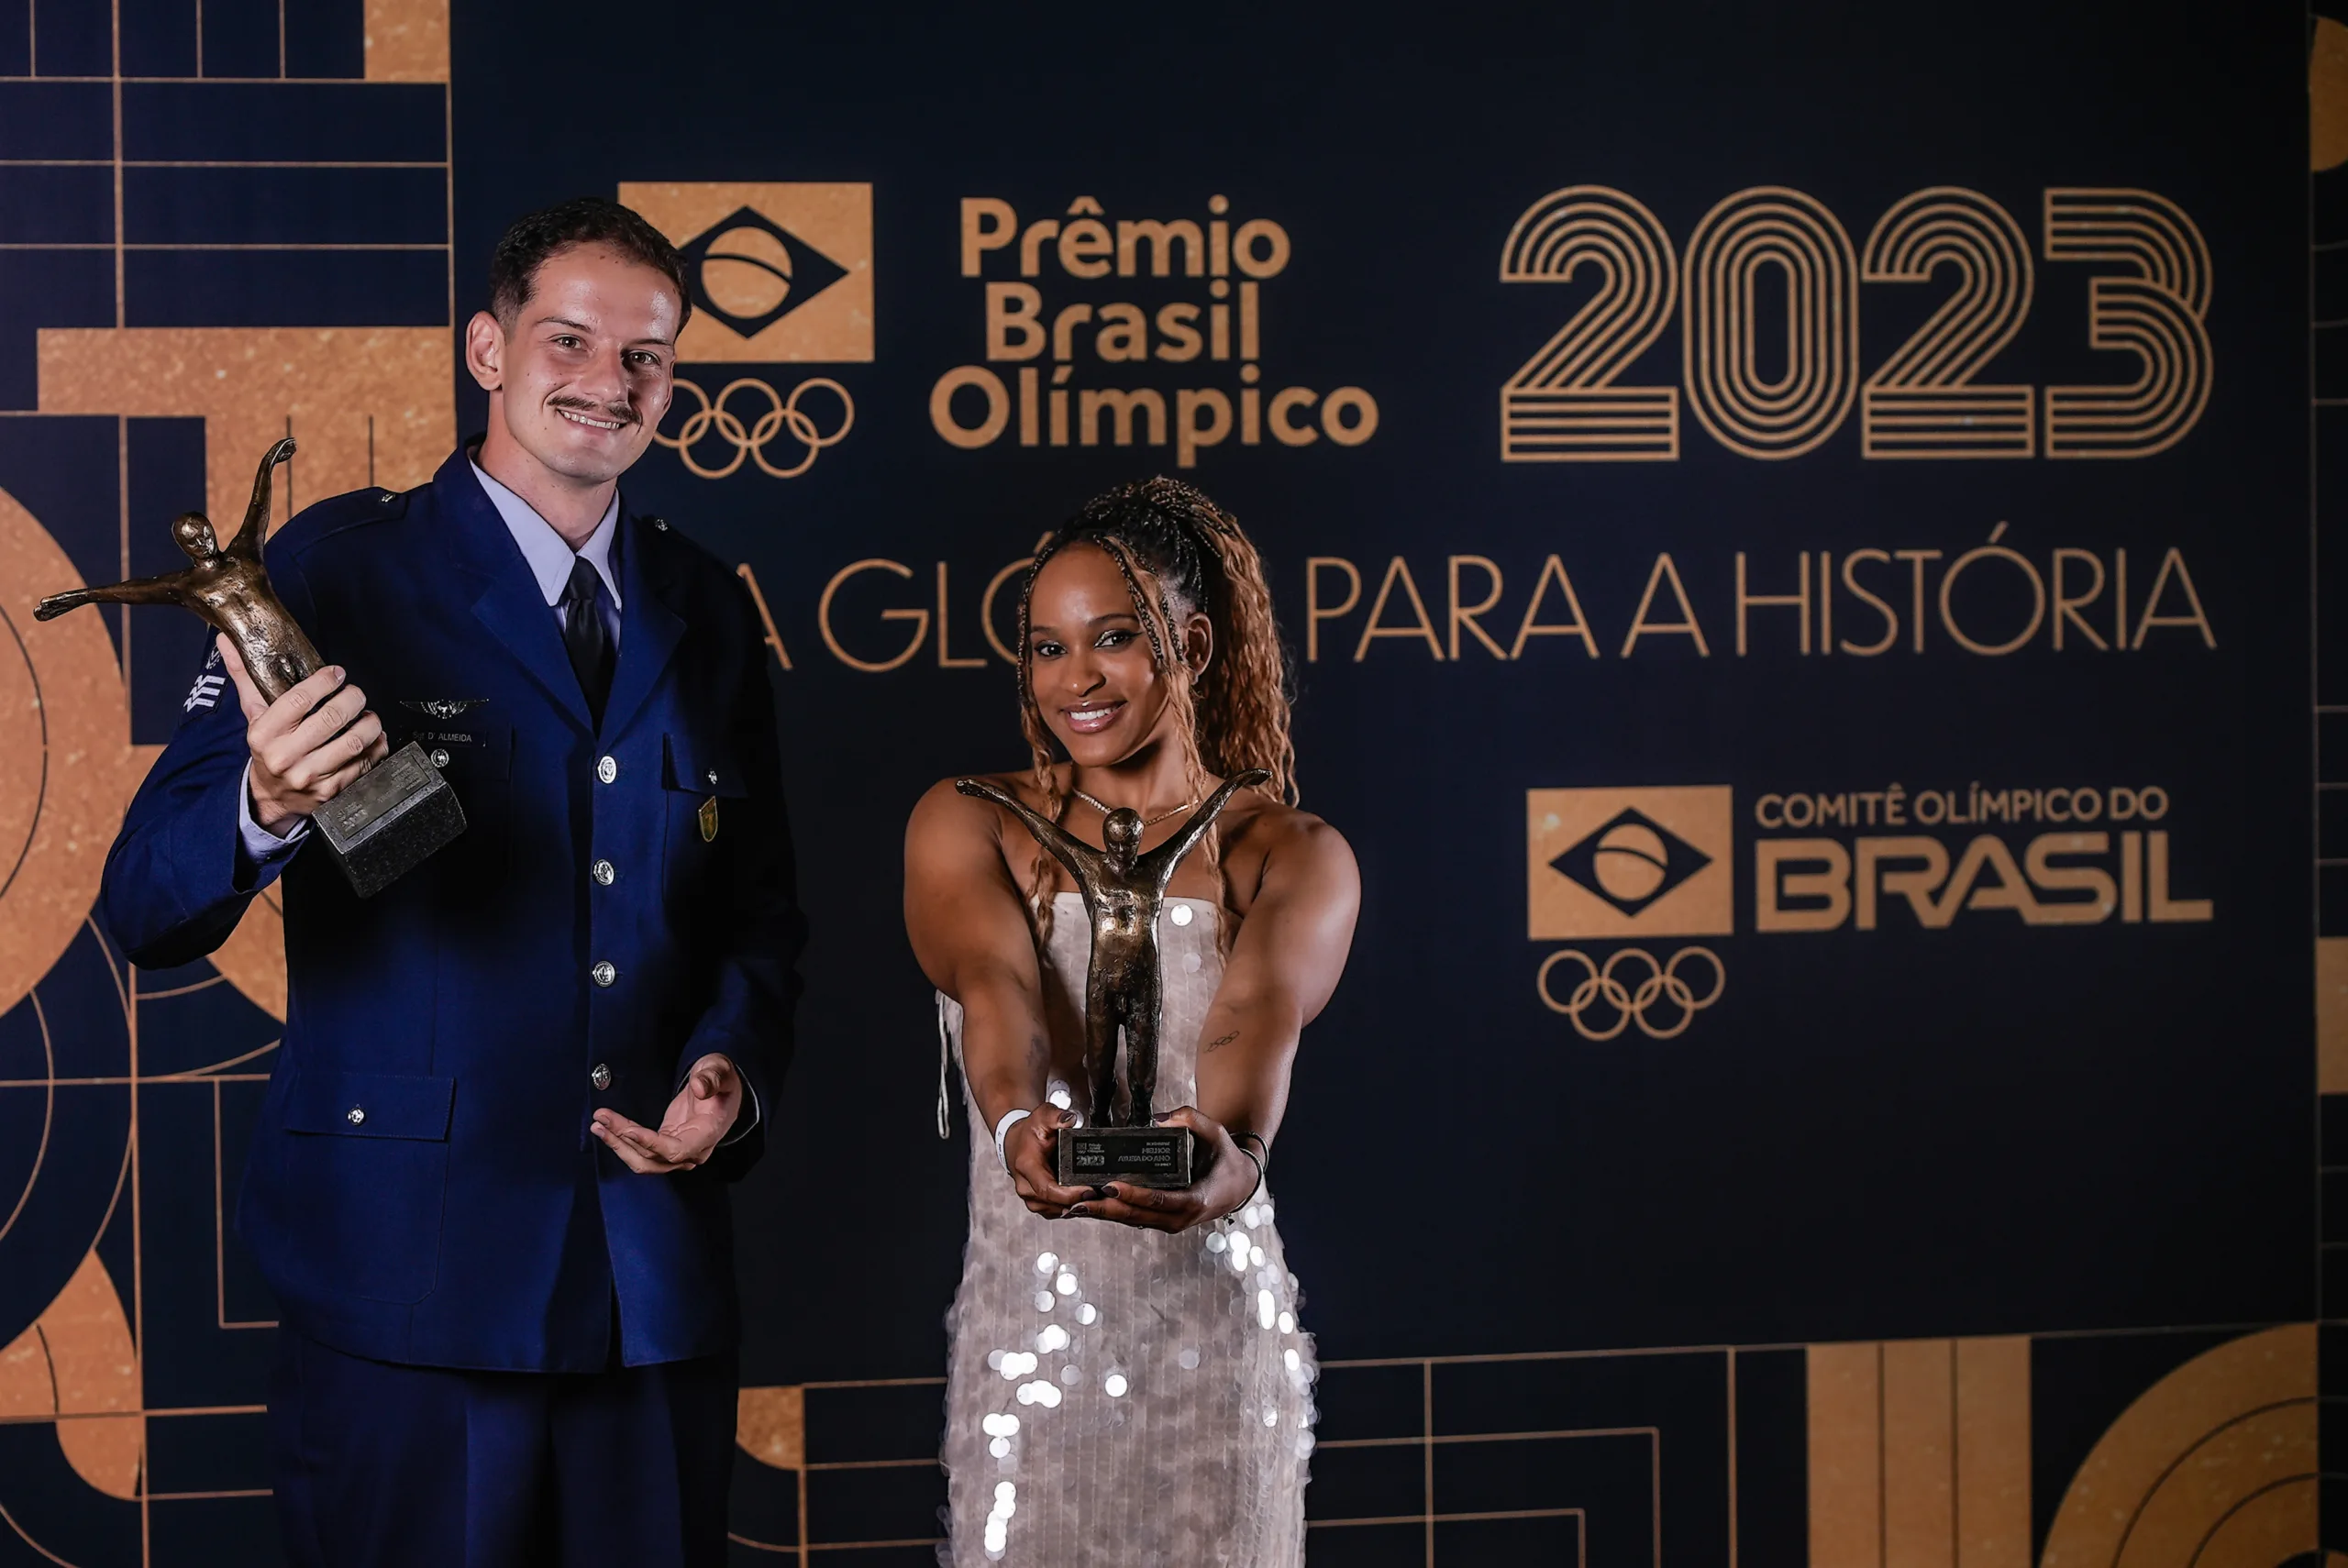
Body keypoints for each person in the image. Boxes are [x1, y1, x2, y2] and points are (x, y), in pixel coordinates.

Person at [96, 197, 803, 1568]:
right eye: (570, 339)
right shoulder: (334, 569)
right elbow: (142, 898)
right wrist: (265, 801)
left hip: (646, 1277)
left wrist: (730, 1068)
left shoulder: (706, 603)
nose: (608, 382)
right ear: (487, 348)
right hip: (408, 1270)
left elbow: (761, 911)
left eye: (647, 356)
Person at [903, 478, 1360, 1565]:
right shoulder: (968, 821)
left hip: (1216, 1343)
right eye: (1046, 647)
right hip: (1028, 1351)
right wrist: (1021, 1125)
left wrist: (1229, 1153)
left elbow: (1250, 1024)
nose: (1076, 681)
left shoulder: (1290, 851)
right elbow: (994, 987)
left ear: (1191, 645)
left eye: (1113, 639)